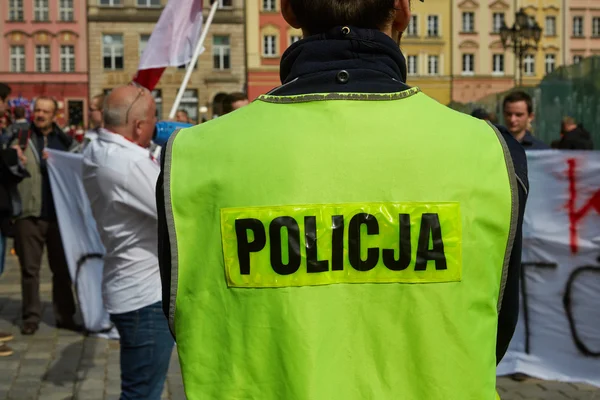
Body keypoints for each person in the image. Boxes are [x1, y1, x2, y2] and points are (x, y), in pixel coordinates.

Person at [156, 0, 528, 398]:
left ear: (288, 11)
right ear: (401, 11)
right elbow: (495, 327)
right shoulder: (489, 151)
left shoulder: (194, 156)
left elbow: (184, 316)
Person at [83, 85, 174, 400]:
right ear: (138, 126)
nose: (156, 126)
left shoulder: (100, 149)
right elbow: (176, 208)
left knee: (140, 389)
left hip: (129, 286)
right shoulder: (127, 164)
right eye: (153, 119)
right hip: (144, 296)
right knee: (142, 393)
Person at [9, 96, 79, 336]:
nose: (39, 115)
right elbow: (6, 168)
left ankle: (65, 315)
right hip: (29, 214)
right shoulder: (19, 137)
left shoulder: (65, 141)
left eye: (45, 111)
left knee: (62, 269)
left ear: (54, 115)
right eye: (37, 110)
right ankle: (31, 316)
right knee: (30, 270)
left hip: (60, 216)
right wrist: (13, 159)